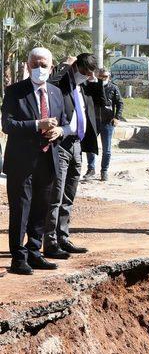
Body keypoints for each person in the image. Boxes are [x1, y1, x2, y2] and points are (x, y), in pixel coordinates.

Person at [1, 47, 68, 274]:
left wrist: (59, 131)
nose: (40, 69)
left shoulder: (56, 92)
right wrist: (37, 125)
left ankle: (34, 251)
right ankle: (18, 258)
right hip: (21, 162)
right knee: (20, 209)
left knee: (41, 208)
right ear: (28, 65)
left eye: (44, 65)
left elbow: (66, 123)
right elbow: (8, 125)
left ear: (52, 66)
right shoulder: (14, 92)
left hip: (48, 159)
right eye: (36, 64)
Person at [43, 53, 104, 257]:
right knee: (56, 195)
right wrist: (65, 67)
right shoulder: (61, 83)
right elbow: (49, 83)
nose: (86, 77)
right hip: (61, 144)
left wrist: (93, 79)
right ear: (75, 67)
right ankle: (50, 242)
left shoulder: (84, 85)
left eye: (90, 74)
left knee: (69, 194)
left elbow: (101, 100)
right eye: (84, 72)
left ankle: (63, 236)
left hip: (77, 145)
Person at [86, 69, 123, 181]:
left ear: (109, 77)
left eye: (105, 76)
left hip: (108, 122)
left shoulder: (113, 88)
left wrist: (117, 117)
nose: (103, 78)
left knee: (107, 149)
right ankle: (91, 169)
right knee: (90, 146)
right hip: (94, 121)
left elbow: (120, 103)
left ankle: (104, 171)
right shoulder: (92, 86)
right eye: (101, 76)